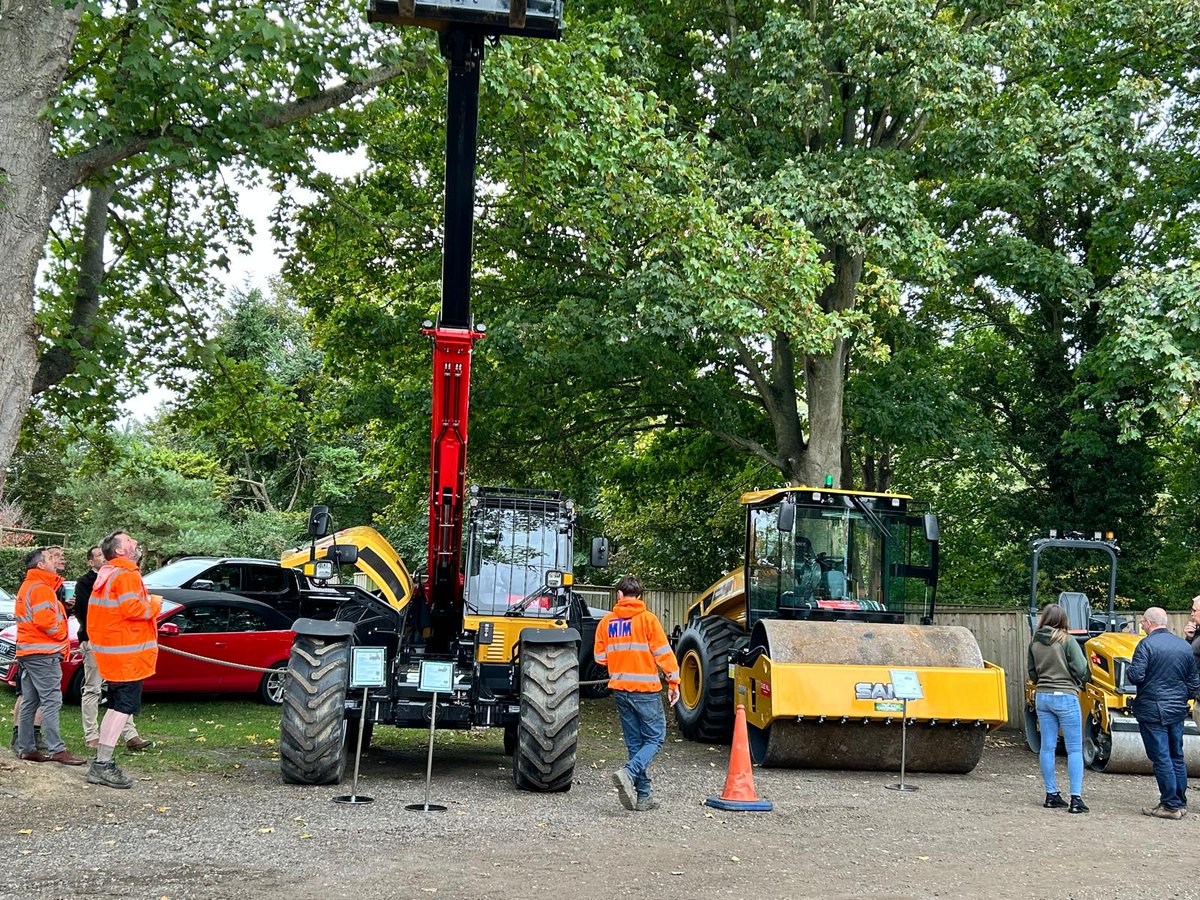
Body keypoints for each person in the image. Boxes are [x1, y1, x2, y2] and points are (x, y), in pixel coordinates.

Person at [593, 575, 680, 812]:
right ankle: (629, 773)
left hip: (620, 690)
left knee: (634, 742)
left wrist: (620, 658)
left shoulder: (606, 623)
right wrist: (674, 683)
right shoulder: (649, 621)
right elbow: (664, 655)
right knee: (655, 738)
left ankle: (644, 796)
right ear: (640, 596)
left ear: (619, 595)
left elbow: (599, 658)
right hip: (646, 691)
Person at [86, 530, 162, 789]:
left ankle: (102, 761)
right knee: (122, 707)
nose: (135, 542)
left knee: (117, 706)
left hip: (114, 654)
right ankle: (103, 765)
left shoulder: (107, 575)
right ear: (120, 550)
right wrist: (155, 605)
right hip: (126, 656)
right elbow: (134, 609)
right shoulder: (127, 574)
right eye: (129, 540)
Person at [13, 548, 85, 765]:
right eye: (50, 558)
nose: (55, 561)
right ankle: (57, 749)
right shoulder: (42, 588)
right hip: (43, 653)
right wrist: (62, 634)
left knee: (30, 701)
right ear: (40, 565)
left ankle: (26, 748)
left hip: (30, 652)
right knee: (51, 700)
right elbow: (45, 622)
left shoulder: (30, 586)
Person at [1128, 606, 1200, 820]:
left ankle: (1169, 805)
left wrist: (1131, 669)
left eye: (1142, 622)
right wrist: (1180, 698)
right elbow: (1194, 681)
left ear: (1149, 623)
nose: (1141, 625)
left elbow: (1136, 676)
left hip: (1152, 709)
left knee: (1161, 757)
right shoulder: (1183, 646)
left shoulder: (1145, 645)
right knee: (1176, 755)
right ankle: (1180, 801)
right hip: (1176, 709)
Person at [75, 544, 149, 751]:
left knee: (120, 688)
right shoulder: (85, 582)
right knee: (93, 688)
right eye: (98, 555)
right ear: (90, 561)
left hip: (117, 645)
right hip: (94, 642)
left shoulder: (115, 577)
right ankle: (92, 735)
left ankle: (130, 735)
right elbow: (85, 613)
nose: (103, 558)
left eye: (103, 553)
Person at [1027, 603, 1090, 813]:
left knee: (1047, 747)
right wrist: (1080, 679)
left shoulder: (1034, 642)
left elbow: (1032, 672)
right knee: (1073, 749)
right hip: (1065, 696)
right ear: (1063, 620)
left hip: (1043, 697)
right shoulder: (1067, 640)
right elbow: (1081, 669)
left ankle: (1051, 794)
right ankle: (1076, 799)